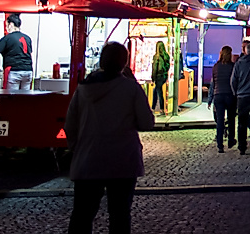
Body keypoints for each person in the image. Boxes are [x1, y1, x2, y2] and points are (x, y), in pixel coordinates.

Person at [65, 42, 154, 234]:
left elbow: (70, 124)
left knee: (82, 215)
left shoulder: (84, 88)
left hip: (89, 159)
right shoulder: (131, 88)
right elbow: (147, 122)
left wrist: (76, 148)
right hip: (123, 160)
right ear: (124, 62)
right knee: (120, 216)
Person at [207, 45, 236, 152]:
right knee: (231, 118)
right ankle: (231, 139)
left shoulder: (216, 66)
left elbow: (213, 84)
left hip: (218, 95)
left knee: (220, 121)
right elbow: (234, 81)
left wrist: (210, 99)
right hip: (229, 95)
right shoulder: (233, 66)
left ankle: (220, 144)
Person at [151, 41, 171, 115]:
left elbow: (155, 69)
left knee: (159, 92)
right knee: (156, 91)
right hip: (164, 76)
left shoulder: (156, 57)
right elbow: (168, 66)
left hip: (158, 76)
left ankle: (161, 108)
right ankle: (154, 107)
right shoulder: (166, 56)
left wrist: (153, 78)